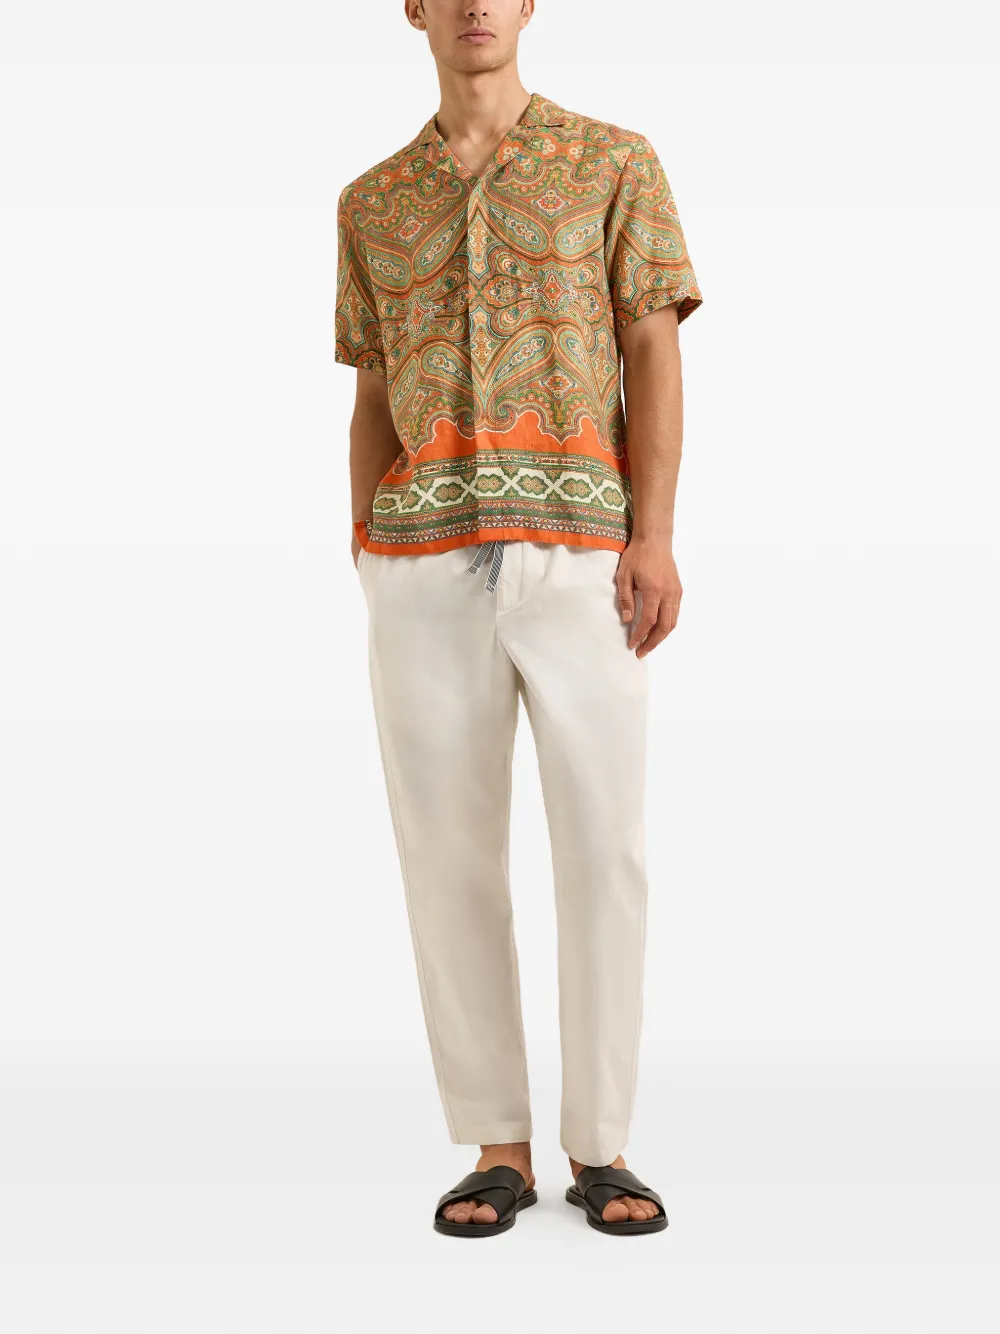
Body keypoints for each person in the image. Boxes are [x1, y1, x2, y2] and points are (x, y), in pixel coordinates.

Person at [335, 0, 702, 1238]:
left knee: (605, 846)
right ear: (415, 9)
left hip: (583, 552)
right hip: (421, 557)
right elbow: (371, 387)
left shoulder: (613, 162)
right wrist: (364, 541)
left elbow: (651, 349)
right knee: (445, 853)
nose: (476, 5)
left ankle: (601, 1142)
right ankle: (496, 1142)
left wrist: (654, 533)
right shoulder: (371, 202)